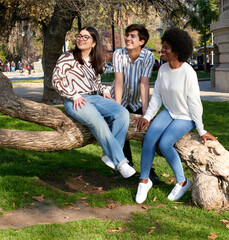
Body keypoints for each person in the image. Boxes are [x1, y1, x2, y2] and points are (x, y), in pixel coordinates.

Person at [134, 28, 218, 204]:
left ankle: (182, 181)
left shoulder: (188, 72)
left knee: (165, 143)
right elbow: (156, 96)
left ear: (178, 50)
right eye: (162, 47)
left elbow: (194, 103)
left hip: (185, 116)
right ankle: (144, 180)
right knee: (149, 137)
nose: (161, 51)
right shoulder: (163, 69)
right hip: (170, 111)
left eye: (166, 48)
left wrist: (201, 129)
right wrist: (147, 117)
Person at [52, 26, 136, 178]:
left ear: (94, 43)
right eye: (79, 36)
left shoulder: (94, 59)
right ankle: (121, 162)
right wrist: (74, 94)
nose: (81, 39)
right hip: (76, 100)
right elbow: (56, 81)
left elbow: (97, 81)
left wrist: (103, 90)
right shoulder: (67, 57)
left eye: (86, 37)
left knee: (122, 113)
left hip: (96, 97)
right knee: (98, 121)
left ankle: (109, 154)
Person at [108, 24, 160, 183]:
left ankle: (148, 170)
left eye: (133, 36)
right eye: (127, 35)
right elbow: (118, 81)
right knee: (121, 129)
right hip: (120, 97)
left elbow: (144, 83)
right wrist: (117, 108)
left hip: (137, 98)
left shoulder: (148, 57)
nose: (128, 39)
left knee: (146, 133)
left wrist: (146, 113)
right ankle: (126, 164)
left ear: (142, 41)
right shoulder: (118, 54)